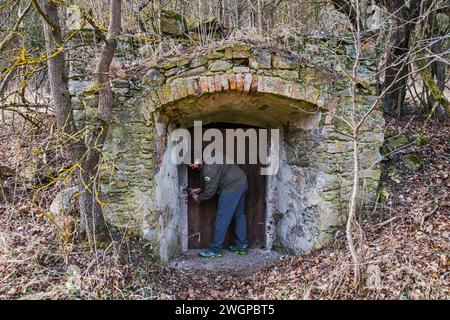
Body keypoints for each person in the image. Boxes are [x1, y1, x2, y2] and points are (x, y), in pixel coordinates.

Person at [188, 154, 248, 258]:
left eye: (192, 164)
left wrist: (199, 198)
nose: (191, 167)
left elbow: (211, 191)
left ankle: (216, 250)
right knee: (239, 216)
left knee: (222, 219)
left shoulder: (208, 168)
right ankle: (241, 246)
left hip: (231, 188)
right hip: (242, 181)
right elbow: (213, 181)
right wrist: (200, 189)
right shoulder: (208, 158)